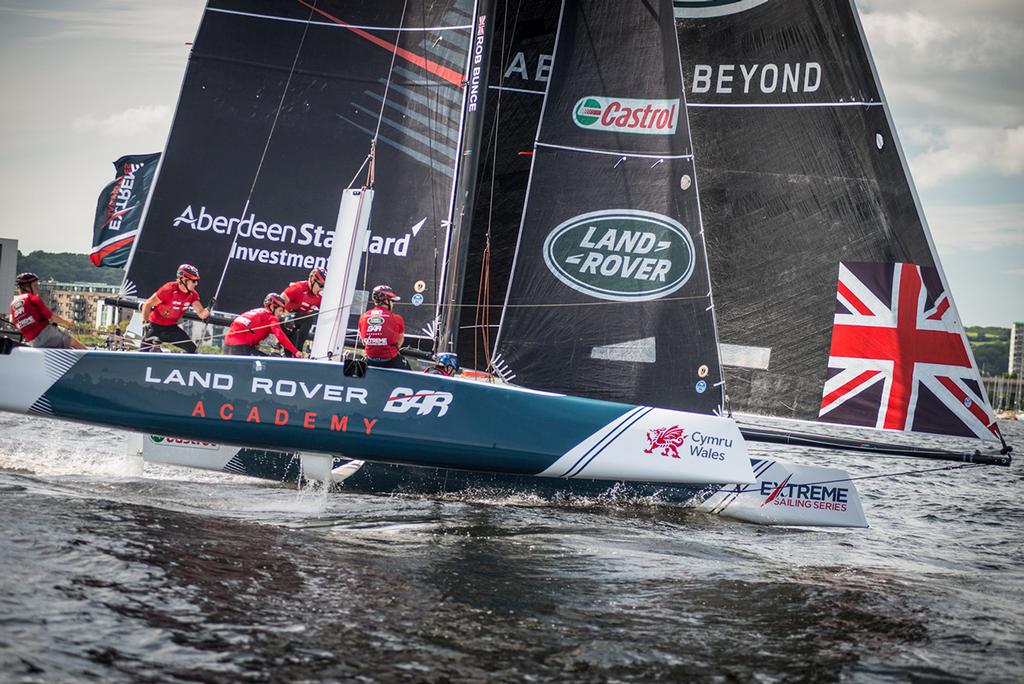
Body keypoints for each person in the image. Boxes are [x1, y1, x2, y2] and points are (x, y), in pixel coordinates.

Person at [140, 264, 210, 353]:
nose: (196, 283)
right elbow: (147, 304)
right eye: (194, 281)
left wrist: (209, 308)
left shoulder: (193, 294)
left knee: (193, 351)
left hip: (171, 328)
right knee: (142, 353)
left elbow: (201, 314)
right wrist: (145, 323)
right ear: (183, 279)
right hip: (155, 327)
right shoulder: (169, 289)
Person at [9, 272, 85, 349]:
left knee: (64, 352)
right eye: (35, 285)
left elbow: (16, 324)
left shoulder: (13, 304)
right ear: (27, 287)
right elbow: (52, 317)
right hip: (47, 334)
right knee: (76, 345)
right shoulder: (32, 298)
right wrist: (68, 323)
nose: (37, 288)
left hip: (33, 342)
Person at [223, 293, 305, 358]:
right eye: (280, 310)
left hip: (227, 344)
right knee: (269, 363)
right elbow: (280, 335)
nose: (280, 314)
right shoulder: (271, 317)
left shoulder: (256, 311)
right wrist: (296, 352)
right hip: (241, 348)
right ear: (272, 307)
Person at [357, 284, 409, 369]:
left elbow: (363, 341)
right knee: (410, 376)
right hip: (390, 360)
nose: (393, 304)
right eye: (392, 301)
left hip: (370, 360)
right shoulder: (397, 318)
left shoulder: (363, 316)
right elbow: (399, 341)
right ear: (385, 300)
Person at [281, 266, 325, 352]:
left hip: (296, 324)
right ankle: (298, 350)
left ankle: (293, 354)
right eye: (320, 285)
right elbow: (278, 303)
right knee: (308, 318)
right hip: (285, 319)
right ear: (312, 280)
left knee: (290, 353)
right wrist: (286, 316)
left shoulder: (319, 297)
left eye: (323, 286)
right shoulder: (298, 288)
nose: (321, 289)